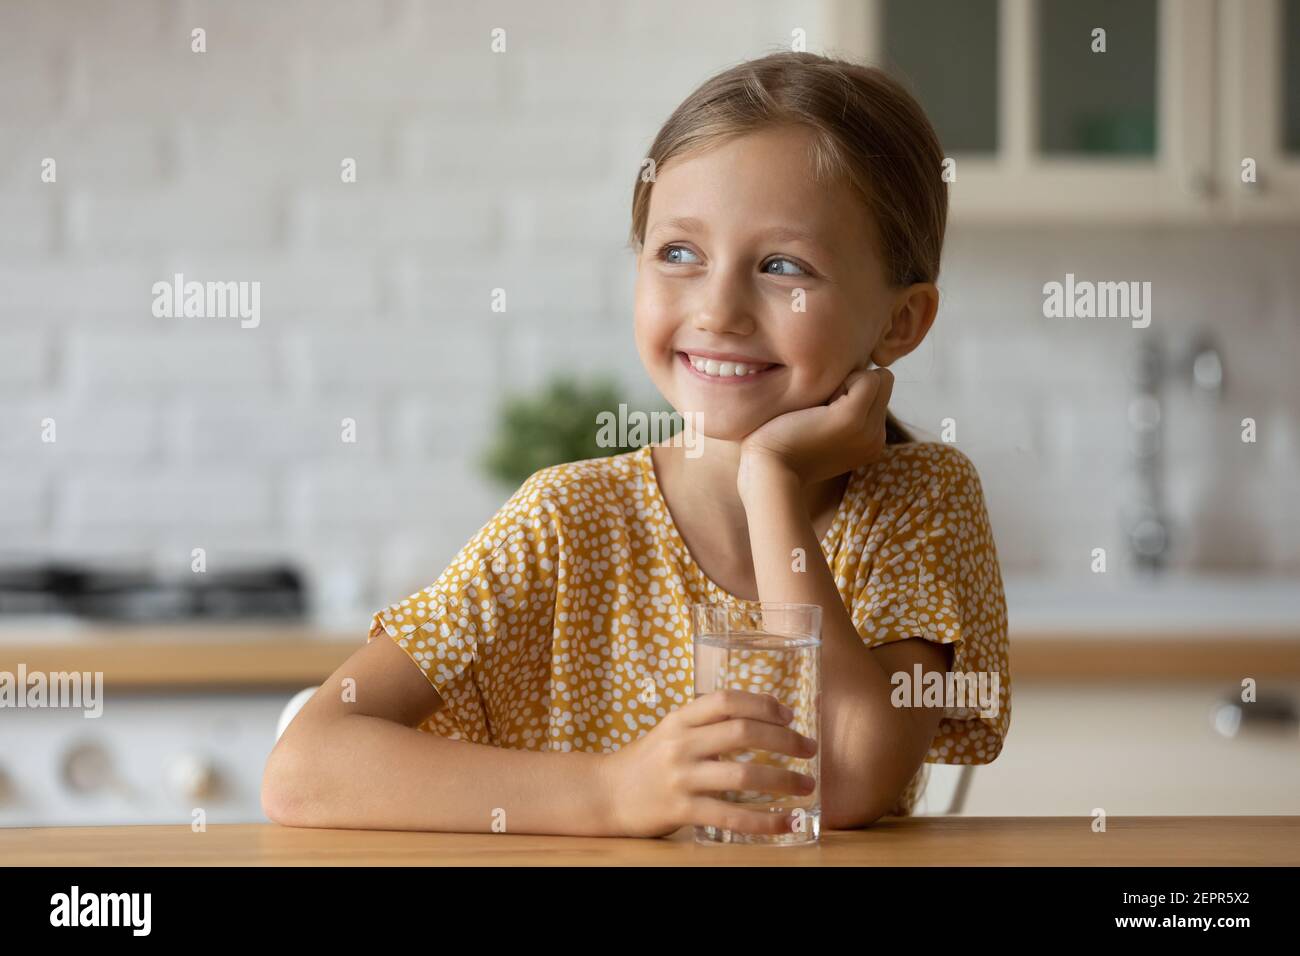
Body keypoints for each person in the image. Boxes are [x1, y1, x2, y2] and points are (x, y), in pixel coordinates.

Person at [263, 51, 1011, 838]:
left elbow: (852, 778)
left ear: (902, 322)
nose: (718, 309)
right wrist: (614, 792)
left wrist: (772, 485)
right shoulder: (565, 520)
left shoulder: (918, 499)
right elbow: (306, 767)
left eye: (783, 265)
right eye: (678, 254)